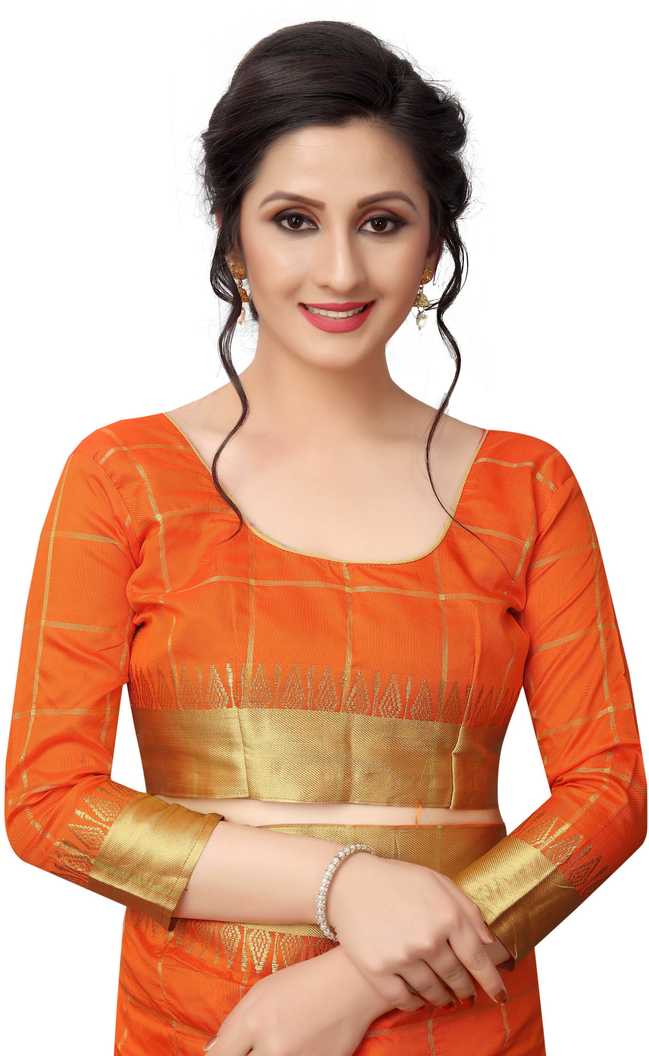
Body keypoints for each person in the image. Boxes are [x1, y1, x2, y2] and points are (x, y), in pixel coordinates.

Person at [5, 19, 646, 1056]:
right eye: (294, 220)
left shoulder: (527, 486)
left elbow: (608, 791)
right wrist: (341, 884)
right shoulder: (124, 477)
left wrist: (353, 982)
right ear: (232, 238)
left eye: (382, 222)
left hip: (462, 1023)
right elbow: (48, 803)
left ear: (433, 246)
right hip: (203, 1023)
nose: (340, 269)